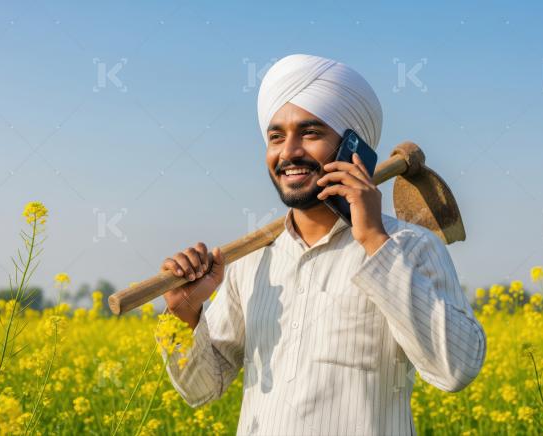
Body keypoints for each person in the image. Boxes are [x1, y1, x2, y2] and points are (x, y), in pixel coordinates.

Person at [157, 54, 486, 435]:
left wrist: (374, 240)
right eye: (276, 137)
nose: (288, 152)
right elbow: (202, 388)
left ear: (353, 149)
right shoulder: (252, 259)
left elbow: (456, 369)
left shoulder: (410, 246)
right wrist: (184, 314)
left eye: (310, 133)